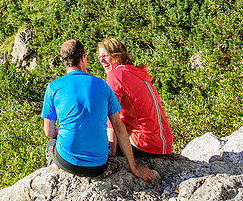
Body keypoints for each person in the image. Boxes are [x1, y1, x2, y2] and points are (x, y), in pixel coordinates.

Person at [40, 39, 156, 182]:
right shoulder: (103, 85)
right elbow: (119, 127)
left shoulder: (53, 87)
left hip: (70, 163)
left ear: (62, 60)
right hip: (100, 165)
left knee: (51, 144)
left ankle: (55, 179)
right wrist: (134, 167)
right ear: (84, 56)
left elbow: (49, 132)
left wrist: (65, 132)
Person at [97, 37, 173, 157]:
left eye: (106, 56)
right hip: (163, 145)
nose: (102, 61)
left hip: (143, 144)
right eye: (99, 57)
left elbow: (110, 115)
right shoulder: (137, 74)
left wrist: (111, 148)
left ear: (118, 56)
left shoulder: (115, 75)